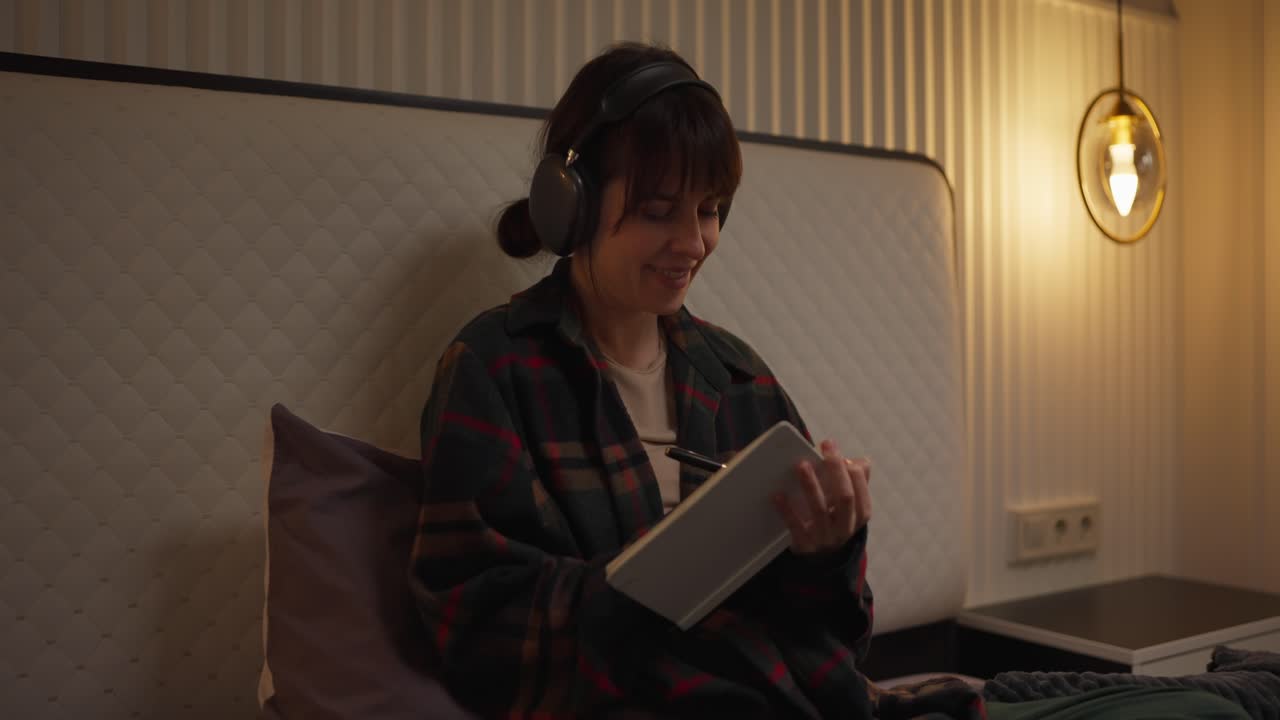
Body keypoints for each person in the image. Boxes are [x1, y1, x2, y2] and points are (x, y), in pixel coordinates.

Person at [408, 41, 911, 719]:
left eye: (708, 209)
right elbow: (476, 628)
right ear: (573, 203)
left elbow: (830, 644)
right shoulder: (494, 369)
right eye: (657, 210)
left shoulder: (740, 380)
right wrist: (642, 590)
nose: (695, 242)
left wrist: (827, 554)